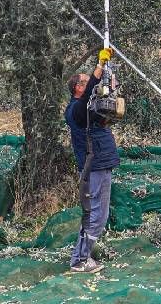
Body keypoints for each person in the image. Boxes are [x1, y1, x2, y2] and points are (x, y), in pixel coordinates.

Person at [65, 48, 120, 273]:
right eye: (86, 83)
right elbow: (90, 93)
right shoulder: (76, 109)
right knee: (96, 214)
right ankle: (79, 260)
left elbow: (105, 106)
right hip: (94, 165)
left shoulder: (86, 111)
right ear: (78, 88)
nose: (90, 85)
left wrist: (111, 79)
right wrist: (99, 66)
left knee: (96, 213)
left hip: (100, 163)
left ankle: (82, 255)